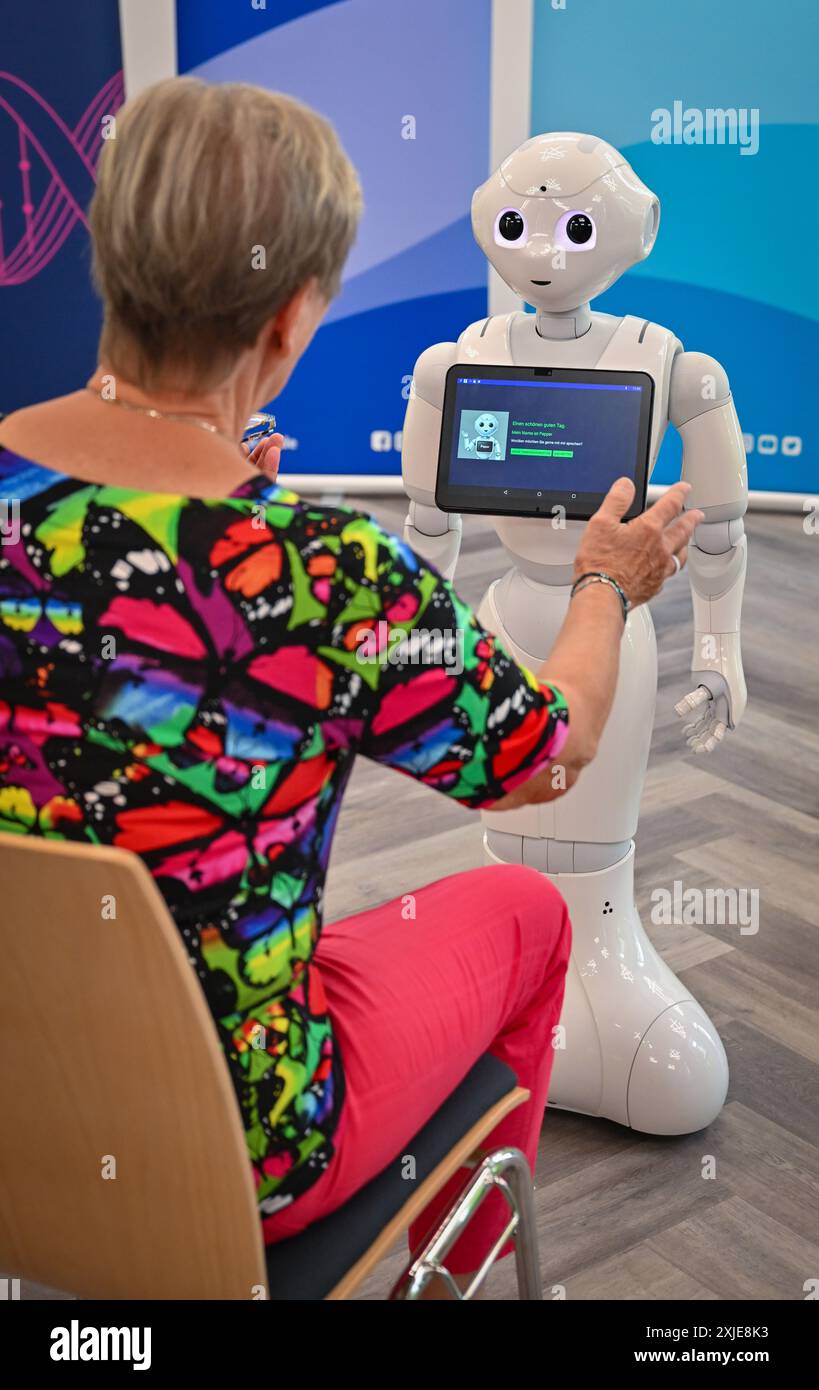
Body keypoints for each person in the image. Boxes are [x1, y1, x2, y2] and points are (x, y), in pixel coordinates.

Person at [0, 78, 702, 1297]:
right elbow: (549, 752)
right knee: (529, 915)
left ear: (107, 259)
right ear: (290, 317)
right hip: (247, 1150)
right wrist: (606, 583)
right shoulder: (331, 576)